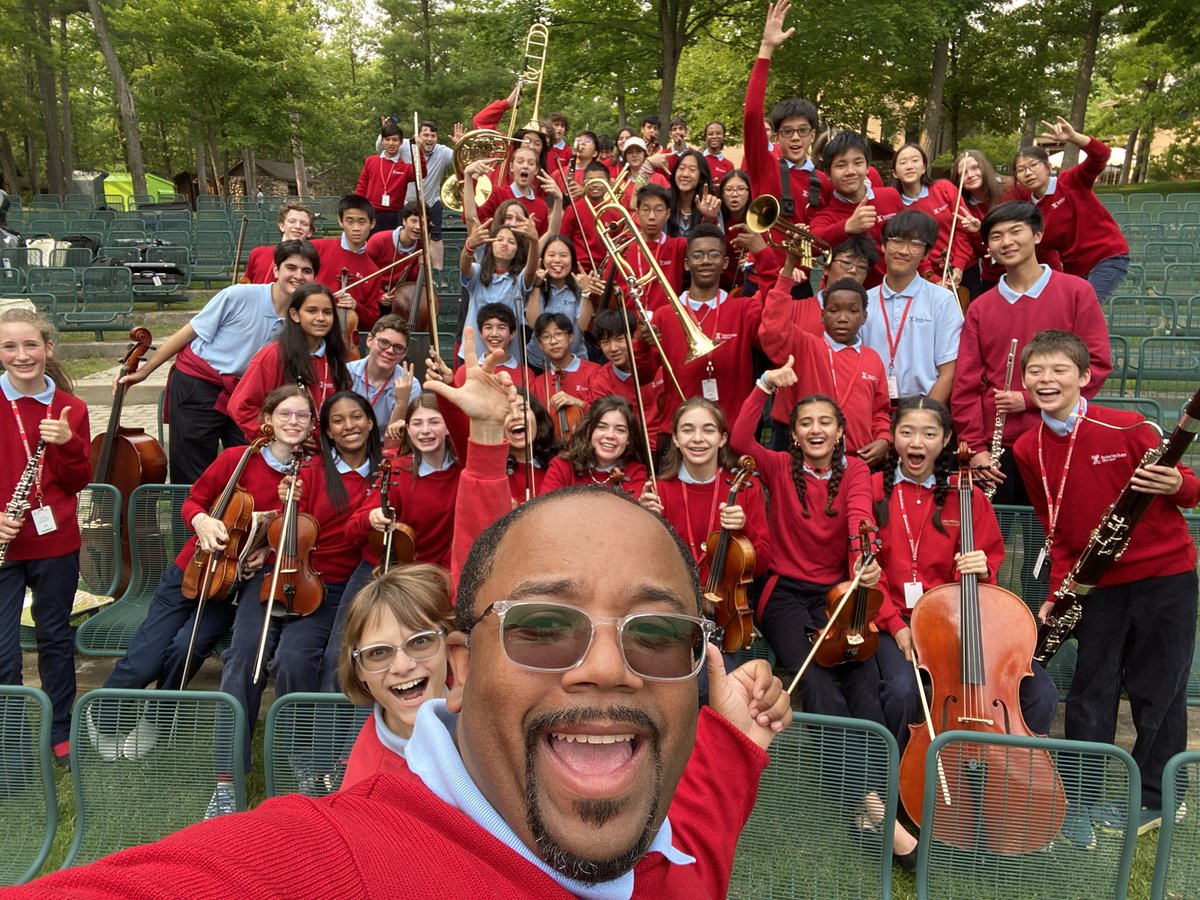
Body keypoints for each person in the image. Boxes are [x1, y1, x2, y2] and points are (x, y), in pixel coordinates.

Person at [13, 329, 791, 897]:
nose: (605, 665)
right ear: (459, 666)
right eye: (543, 627)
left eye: (654, 634)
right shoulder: (350, 857)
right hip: (282, 578)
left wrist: (732, 744)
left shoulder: (671, 861)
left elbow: (690, 848)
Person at [1013, 329, 1199, 837]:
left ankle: (1161, 800)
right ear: (1024, 380)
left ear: (1084, 376)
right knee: (1091, 692)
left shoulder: (1128, 427)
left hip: (1166, 578)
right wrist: (1057, 589)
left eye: (1058, 369)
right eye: (1036, 371)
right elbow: (1055, 528)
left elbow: (1190, 488)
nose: (1046, 380)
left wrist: (1179, 483)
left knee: (1158, 690)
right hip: (1095, 586)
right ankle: (1079, 799)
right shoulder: (1027, 447)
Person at [729, 373, 918, 867]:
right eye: (805, 423)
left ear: (840, 431)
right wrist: (765, 385)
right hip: (785, 595)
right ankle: (868, 804)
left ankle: (877, 799)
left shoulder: (854, 469)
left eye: (825, 423)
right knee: (817, 683)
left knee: (865, 679)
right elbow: (739, 438)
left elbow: (860, 514)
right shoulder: (775, 464)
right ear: (794, 434)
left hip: (839, 591)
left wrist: (864, 553)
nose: (815, 430)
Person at [91, 388, 316, 761]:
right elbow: (193, 500)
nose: (293, 422)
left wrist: (266, 552)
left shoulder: (306, 476)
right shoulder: (235, 460)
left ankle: (157, 719)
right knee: (144, 657)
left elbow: (298, 534)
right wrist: (202, 521)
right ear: (268, 419)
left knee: (187, 648)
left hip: (231, 586)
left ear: (310, 426)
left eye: (302, 417)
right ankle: (103, 719)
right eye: (285, 414)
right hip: (190, 570)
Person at [211, 391, 382, 813]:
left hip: (331, 587)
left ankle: (302, 758)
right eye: (337, 420)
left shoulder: (386, 471)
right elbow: (283, 530)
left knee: (294, 660)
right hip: (280, 575)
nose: (349, 426)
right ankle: (226, 777)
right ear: (324, 430)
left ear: (371, 422)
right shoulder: (308, 471)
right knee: (243, 659)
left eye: (357, 417)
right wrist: (279, 521)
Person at [870, 396, 1058, 750]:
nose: (916, 442)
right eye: (907, 431)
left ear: (945, 441)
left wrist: (982, 568)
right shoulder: (871, 490)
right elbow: (868, 568)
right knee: (901, 690)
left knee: (1039, 692)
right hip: (893, 622)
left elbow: (988, 572)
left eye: (929, 433)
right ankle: (898, 783)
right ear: (893, 435)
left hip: (960, 625)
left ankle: (1009, 774)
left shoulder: (969, 494)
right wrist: (896, 628)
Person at [950, 201, 1111, 505]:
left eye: (1016, 231)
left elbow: (1097, 365)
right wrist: (975, 447)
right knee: (991, 545)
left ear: (1037, 235)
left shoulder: (1077, 292)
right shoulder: (981, 307)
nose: (1007, 242)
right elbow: (965, 384)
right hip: (997, 451)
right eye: (996, 236)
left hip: (1058, 438)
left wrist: (1027, 399)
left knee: (1050, 546)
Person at [119, 241, 319, 483]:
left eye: (306, 271)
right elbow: (188, 333)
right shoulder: (238, 295)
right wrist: (145, 371)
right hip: (198, 384)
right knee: (191, 467)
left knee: (251, 460)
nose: (298, 276)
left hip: (245, 394)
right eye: (291, 268)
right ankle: (186, 519)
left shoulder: (302, 316)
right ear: (276, 270)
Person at [0, 308, 90, 766]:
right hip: (4, 543)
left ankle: (60, 727)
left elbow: (78, 480)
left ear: (48, 348)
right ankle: (12, 737)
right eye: (10, 347)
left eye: (31, 345)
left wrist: (68, 443)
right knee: (3, 648)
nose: (22, 355)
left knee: (55, 636)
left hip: (55, 543)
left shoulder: (71, 408)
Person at [633, 224, 781, 439]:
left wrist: (763, 254)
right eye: (697, 255)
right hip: (679, 434)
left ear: (725, 263)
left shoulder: (744, 309)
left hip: (731, 432)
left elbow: (778, 310)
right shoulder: (664, 315)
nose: (705, 261)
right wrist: (644, 346)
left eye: (714, 254)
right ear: (686, 263)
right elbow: (643, 377)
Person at [337, 564, 456, 788]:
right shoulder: (364, 789)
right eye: (378, 652)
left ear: (449, 645)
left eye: (420, 641)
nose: (402, 666)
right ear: (359, 668)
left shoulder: (489, 724)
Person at [758, 275, 891, 464]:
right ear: (822, 315)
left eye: (853, 311)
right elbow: (773, 329)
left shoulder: (873, 358)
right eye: (834, 310)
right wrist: (786, 276)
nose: (843, 318)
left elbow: (880, 411)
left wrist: (884, 438)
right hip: (807, 459)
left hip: (857, 461)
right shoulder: (805, 345)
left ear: (864, 317)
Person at [637, 398, 770, 588]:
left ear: (722, 439)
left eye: (708, 430)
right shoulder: (658, 491)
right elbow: (642, 564)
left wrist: (744, 527)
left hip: (727, 604)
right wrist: (644, 519)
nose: (698, 438)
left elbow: (761, 565)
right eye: (687, 430)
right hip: (675, 600)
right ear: (675, 438)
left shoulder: (747, 486)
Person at [1011, 117, 1130, 301]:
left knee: (1087, 309)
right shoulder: (1029, 209)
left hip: (1106, 257)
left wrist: (1074, 137)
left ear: (1048, 167)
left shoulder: (1070, 181)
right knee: (1071, 315)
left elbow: (1101, 155)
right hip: (1074, 269)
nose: (1028, 172)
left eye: (1033, 165)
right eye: (1021, 170)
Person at [857, 210, 962, 404]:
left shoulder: (942, 300)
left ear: (927, 252)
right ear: (883, 244)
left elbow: (949, 371)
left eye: (915, 244)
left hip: (925, 406)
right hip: (871, 406)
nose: (904, 251)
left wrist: (925, 415)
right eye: (896, 240)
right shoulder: (864, 301)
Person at [228, 283, 353, 441]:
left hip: (326, 452)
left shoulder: (335, 357)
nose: (321, 318)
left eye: (327, 312)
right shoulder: (274, 355)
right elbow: (240, 407)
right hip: (280, 453)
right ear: (295, 314)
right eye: (312, 311)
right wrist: (279, 437)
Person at [742, 0, 823, 228]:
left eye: (802, 131)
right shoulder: (764, 166)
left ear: (813, 135)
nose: (796, 138)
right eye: (787, 131)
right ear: (776, 137)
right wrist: (766, 48)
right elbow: (751, 115)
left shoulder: (825, 181)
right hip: (765, 263)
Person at [809, 132, 905, 287]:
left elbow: (910, 237)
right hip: (853, 302)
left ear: (868, 167)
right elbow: (812, 242)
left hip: (899, 293)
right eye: (841, 165)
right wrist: (847, 227)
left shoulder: (891, 196)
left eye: (858, 163)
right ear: (827, 173)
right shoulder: (827, 216)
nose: (850, 171)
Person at [458, 218, 540, 364]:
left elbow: (531, 271)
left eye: (511, 242)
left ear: (517, 250)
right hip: (473, 356)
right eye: (499, 239)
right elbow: (464, 268)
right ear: (490, 245)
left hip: (507, 358)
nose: (504, 244)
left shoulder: (518, 280)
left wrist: (534, 242)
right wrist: (469, 247)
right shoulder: (478, 273)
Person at [889, 143, 972, 286]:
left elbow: (962, 229)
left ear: (924, 167)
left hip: (965, 268)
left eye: (915, 160)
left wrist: (959, 265)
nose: (909, 166)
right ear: (895, 172)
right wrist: (933, 279)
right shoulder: (895, 205)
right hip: (924, 277)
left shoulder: (944, 188)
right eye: (903, 162)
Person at [591, 307, 665, 458]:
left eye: (620, 339)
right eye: (605, 342)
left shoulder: (659, 361)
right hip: (632, 451)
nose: (613, 348)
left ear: (635, 337)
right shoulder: (601, 382)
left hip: (667, 443)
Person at [542, 394, 649, 496]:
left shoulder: (635, 471)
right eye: (602, 427)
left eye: (620, 430)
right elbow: (544, 509)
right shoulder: (562, 465)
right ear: (589, 431)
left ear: (629, 438)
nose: (610, 435)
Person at [310, 194, 384, 334]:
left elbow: (372, 319)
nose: (356, 228)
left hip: (345, 337)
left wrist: (356, 306)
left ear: (372, 224)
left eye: (362, 222)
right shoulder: (317, 248)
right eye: (349, 221)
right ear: (340, 221)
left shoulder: (373, 271)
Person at [948, 149, 1014, 299]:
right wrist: (978, 232)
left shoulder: (1010, 189)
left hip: (1025, 269)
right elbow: (979, 251)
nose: (970, 175)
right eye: (963, 173)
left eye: (975, 168)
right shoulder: (963, 207)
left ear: (984, 167)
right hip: (993, 276)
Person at [524, 236, 595, 370]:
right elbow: (533, 323)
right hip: (539, 363)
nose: (557, 260)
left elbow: (585, 326)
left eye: (563, 255)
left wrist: (586, 291)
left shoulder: (579, 286)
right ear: (542, 260)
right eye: (551, 255)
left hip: (575, 362)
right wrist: (537, 286)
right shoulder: (532, 283)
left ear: (572, 260)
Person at [347, 315, 420, 442]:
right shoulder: (346, 373)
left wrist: (401, 404)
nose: (390, 351)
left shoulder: (411, 385)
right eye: (384, 343)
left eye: (398, 347)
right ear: (370, 340)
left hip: (386, 451)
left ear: (405, 352)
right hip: (349, 445)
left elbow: (394, 445)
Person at [528, 313, 603, 424]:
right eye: (546, 337)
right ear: (540, 344)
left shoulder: (594, 371)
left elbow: (604, 412)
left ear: (570, 337)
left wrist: (579, 403)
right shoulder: (539, 382)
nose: (553, 341)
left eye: (558, 334)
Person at [399, 120, 453, 275]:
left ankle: (438, 275)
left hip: (432, 201)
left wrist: (460, 142)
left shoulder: (442, 151)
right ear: (418, 136)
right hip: (407, 202)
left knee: (435, 237)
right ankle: (405, 271)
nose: (429, 139)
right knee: (405, 235)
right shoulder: (406, 145)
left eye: (433, 136)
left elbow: (459, 158)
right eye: (426, 135)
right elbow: (381, 146)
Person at [364, 201, 424, 317]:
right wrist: (380, 295)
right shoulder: (378, 240)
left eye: (422, 223)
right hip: (373, 297)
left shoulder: (422, 248)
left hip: (401, 301)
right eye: (414, 221)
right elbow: (365, 274)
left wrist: (422, 266)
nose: (418, 227)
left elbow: (412, 281)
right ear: (404, 221)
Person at [356, 120, 414, 234]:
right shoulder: (371, 161)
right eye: (387, 139)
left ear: (401, 142)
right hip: (371, 213)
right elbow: (362, 186)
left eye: (395, 140)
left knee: (389, 247)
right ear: (382, 141)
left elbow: (421, 173)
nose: (391, 143)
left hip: (394, 215)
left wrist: (417, 148)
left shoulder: (405, 168)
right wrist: (358, 208)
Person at [241, 202, 316, 284]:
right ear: (282, 226)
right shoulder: (257, 253)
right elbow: (246, 285)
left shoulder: (313, 261)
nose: (297, 226)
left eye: (304, 223)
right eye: (292, 221)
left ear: (310, 232)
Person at [665, 150, 721, 238]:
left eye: (692, 170)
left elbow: (717, 244)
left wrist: (709, 219)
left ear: (701, 178)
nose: (685, 174)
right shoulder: (664, 202)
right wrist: (647, 166)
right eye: (681, 168)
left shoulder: (711, 205)